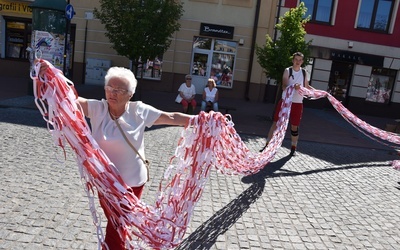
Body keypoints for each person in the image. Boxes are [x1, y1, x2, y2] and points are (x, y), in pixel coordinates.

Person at [37, 61, 193, 250]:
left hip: (132, 182)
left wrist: (201, 120)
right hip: (105, 181)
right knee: (117, 221)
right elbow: (67, 100)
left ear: (130, 94)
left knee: (117, 223)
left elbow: (171, 117)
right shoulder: (98, 108)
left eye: (120, 89)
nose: (113, 92)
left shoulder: (139, 111)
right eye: (110, 87)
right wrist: (49, 77)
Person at [259, 52, 314, 156]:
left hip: (298, 103)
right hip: (285, 102)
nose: (297, 62)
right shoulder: (288, 71)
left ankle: (293, 148)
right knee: (276, 123)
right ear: (293, 60)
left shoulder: (304, 73)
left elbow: (307, 87)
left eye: (300, 60)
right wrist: (293, 87)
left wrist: (320, 93)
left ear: (302, 62)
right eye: (296, 59)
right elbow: (284, 86)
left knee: (294, 126)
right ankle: (267, 145)